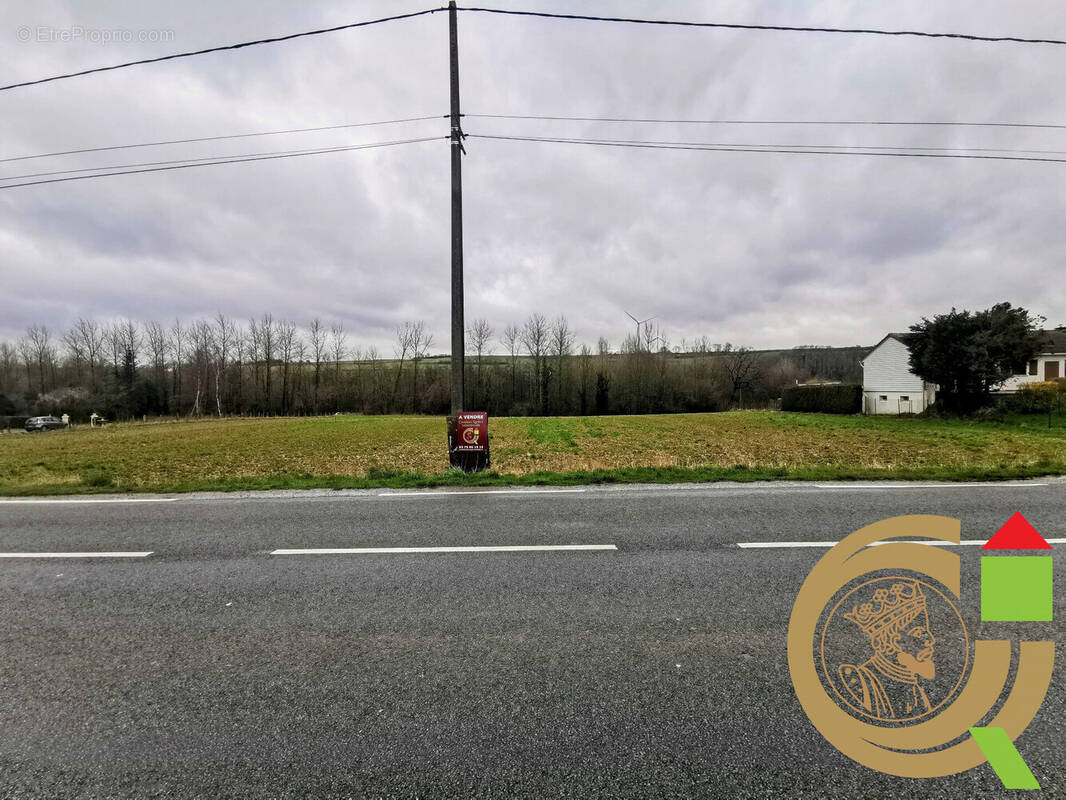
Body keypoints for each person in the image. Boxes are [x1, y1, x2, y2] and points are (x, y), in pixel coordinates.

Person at [838, 580, 937, 719]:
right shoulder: (859, 681)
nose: (931, 640)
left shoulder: (916, 689)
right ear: (896, 642)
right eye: (920, 633)